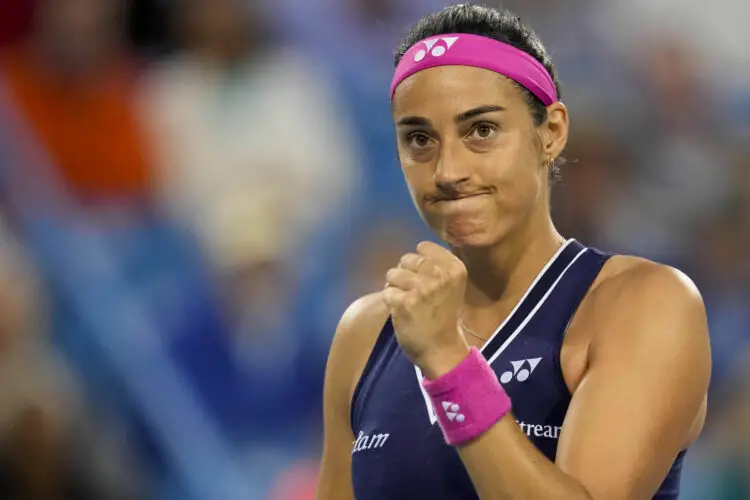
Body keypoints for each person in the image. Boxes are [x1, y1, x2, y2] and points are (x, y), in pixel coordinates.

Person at [316, 4, 711, 500]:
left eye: (480, 130)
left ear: (551, 132)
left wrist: (448, 362)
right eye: (419, 139)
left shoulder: (644, 304)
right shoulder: (365, 333)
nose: (447, 170)